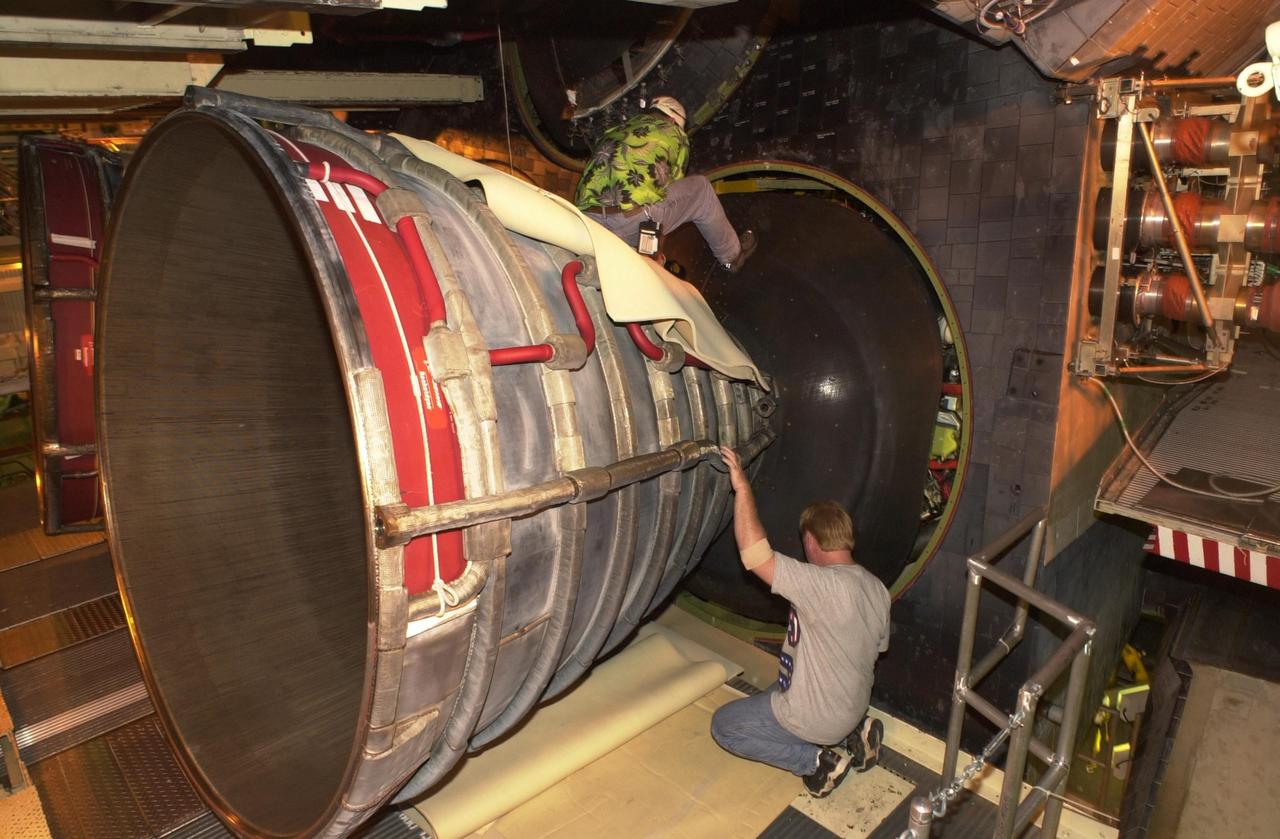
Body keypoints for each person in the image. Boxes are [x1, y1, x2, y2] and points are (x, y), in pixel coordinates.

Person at [711, 446, 891, 798]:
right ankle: (856, 731)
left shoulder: (820, 583)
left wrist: (742, 488)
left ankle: (817, 763)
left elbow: (754, 554)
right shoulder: (876, 588)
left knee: (726, 727)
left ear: (811, 539)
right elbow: (876, 649)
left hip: (815, 719)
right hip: (853, 704)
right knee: (777, 694)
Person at [575, 96, 758, 273]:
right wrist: (657, 249)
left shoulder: (617, 129)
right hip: (630, 220)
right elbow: (668, 192)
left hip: (586, 218)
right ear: (672, 120)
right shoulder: (674, 133)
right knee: (701, 191)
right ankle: (731, 258)